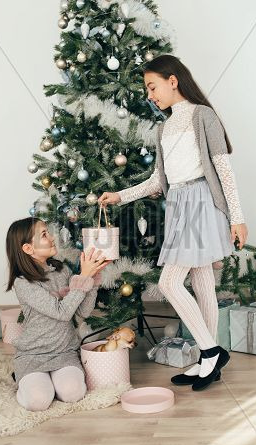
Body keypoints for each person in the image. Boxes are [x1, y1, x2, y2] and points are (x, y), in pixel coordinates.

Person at [98, 54, 248, 391]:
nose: (150, 95)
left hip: (201, 203)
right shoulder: (164, 128)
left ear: (173, 80)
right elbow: (157, 181)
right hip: (179, 203)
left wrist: (237, 218)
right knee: (202, 279)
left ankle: (211, 351)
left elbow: (223, 169)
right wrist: (119, 195)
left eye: (153, 87)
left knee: (169, 282)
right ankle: (206, 362)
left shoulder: (202, 116)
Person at [5, 217, 111, 411]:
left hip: (65, 352)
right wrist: (84, 277)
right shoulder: (23, 283)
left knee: (73, 393)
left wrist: (92, 281)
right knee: (38, 401)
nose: (52, 237)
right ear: (28, 249)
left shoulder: (62, 270)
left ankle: (50, 382)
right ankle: (23, 378)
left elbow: (83, 311)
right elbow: (61, 313)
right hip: (33, 354)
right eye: (44, 234)